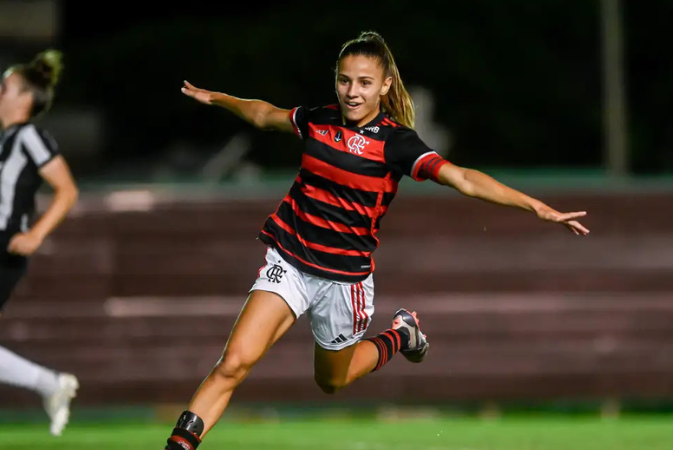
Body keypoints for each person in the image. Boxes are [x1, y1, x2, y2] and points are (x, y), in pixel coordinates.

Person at [165, 31, 588, 450]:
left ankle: (401, 336)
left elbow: (463, 178)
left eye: (364, 83)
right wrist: (218, 98)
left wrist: (535, 206)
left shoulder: (396, 143)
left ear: (384, 86)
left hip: (343, 281)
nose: (352, 92)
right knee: (232, 365)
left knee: (331, 381)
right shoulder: (318, 119)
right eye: (345, 80)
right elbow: (263, 114)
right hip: (290, 262)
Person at [0, 49, 80, 436]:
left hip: (2, 249)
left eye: (5, 87)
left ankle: (49, 383)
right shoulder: (0, 141)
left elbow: (66, 190)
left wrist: (35, 235)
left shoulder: (29, 136)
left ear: (25, 98)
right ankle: (50, 384)